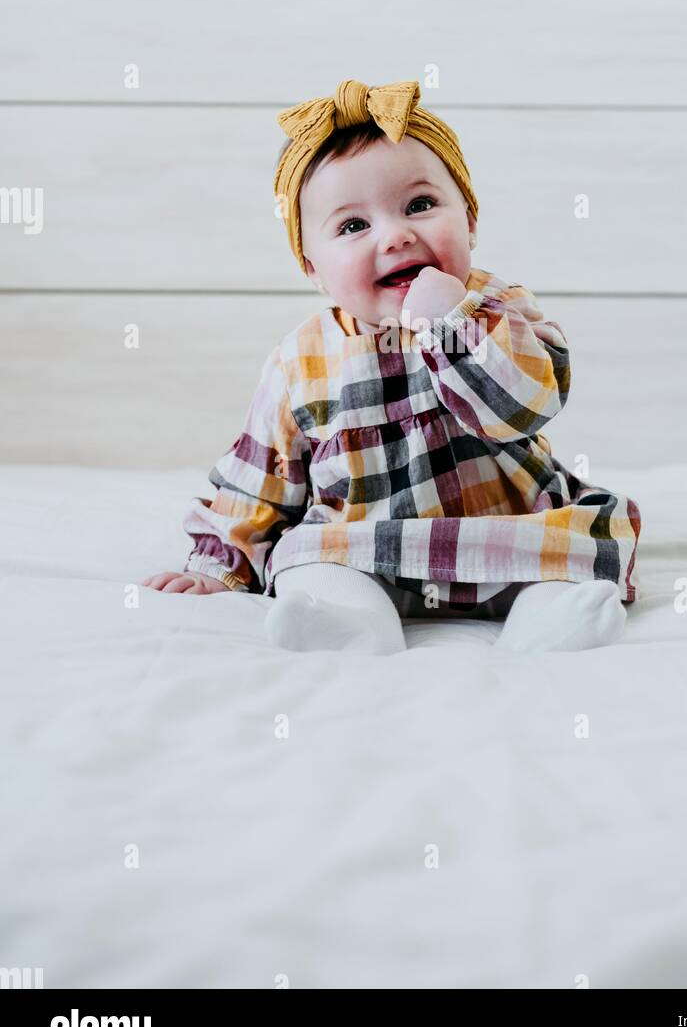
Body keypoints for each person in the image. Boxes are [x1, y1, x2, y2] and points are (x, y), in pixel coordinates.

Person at [142, 78, 641, 654]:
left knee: (571, 551)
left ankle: (552, 617)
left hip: (507, 533)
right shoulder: (300, 360)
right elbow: (263, 475)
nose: (397, 235)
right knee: (308, 558)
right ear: (314, 268)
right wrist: (219, 561)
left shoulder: (499, 310)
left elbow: (524, 408)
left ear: (471, 221)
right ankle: (344, 620)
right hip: (369, 547)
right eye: (353, 226)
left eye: (421, 205)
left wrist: (453, 321)